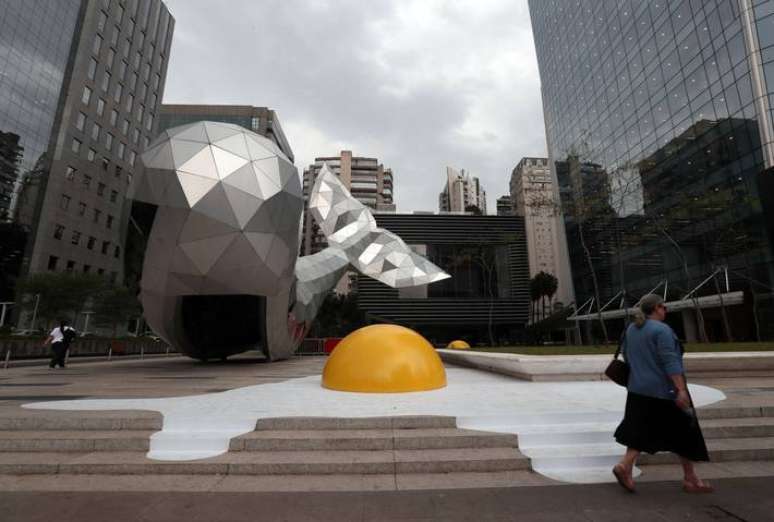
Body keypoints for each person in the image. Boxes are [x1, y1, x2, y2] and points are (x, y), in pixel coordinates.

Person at [612, 294, 713, 494]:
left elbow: (626, 355)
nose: (665, 310)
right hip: (664, 391)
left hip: (637, 389)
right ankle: (689, 479)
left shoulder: (632, 329)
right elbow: (670, 361)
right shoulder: (662, 330)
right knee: (686, 432)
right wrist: (681, 389)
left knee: (640, 431)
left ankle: (627, 468)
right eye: (663, 307)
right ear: (656, 308)